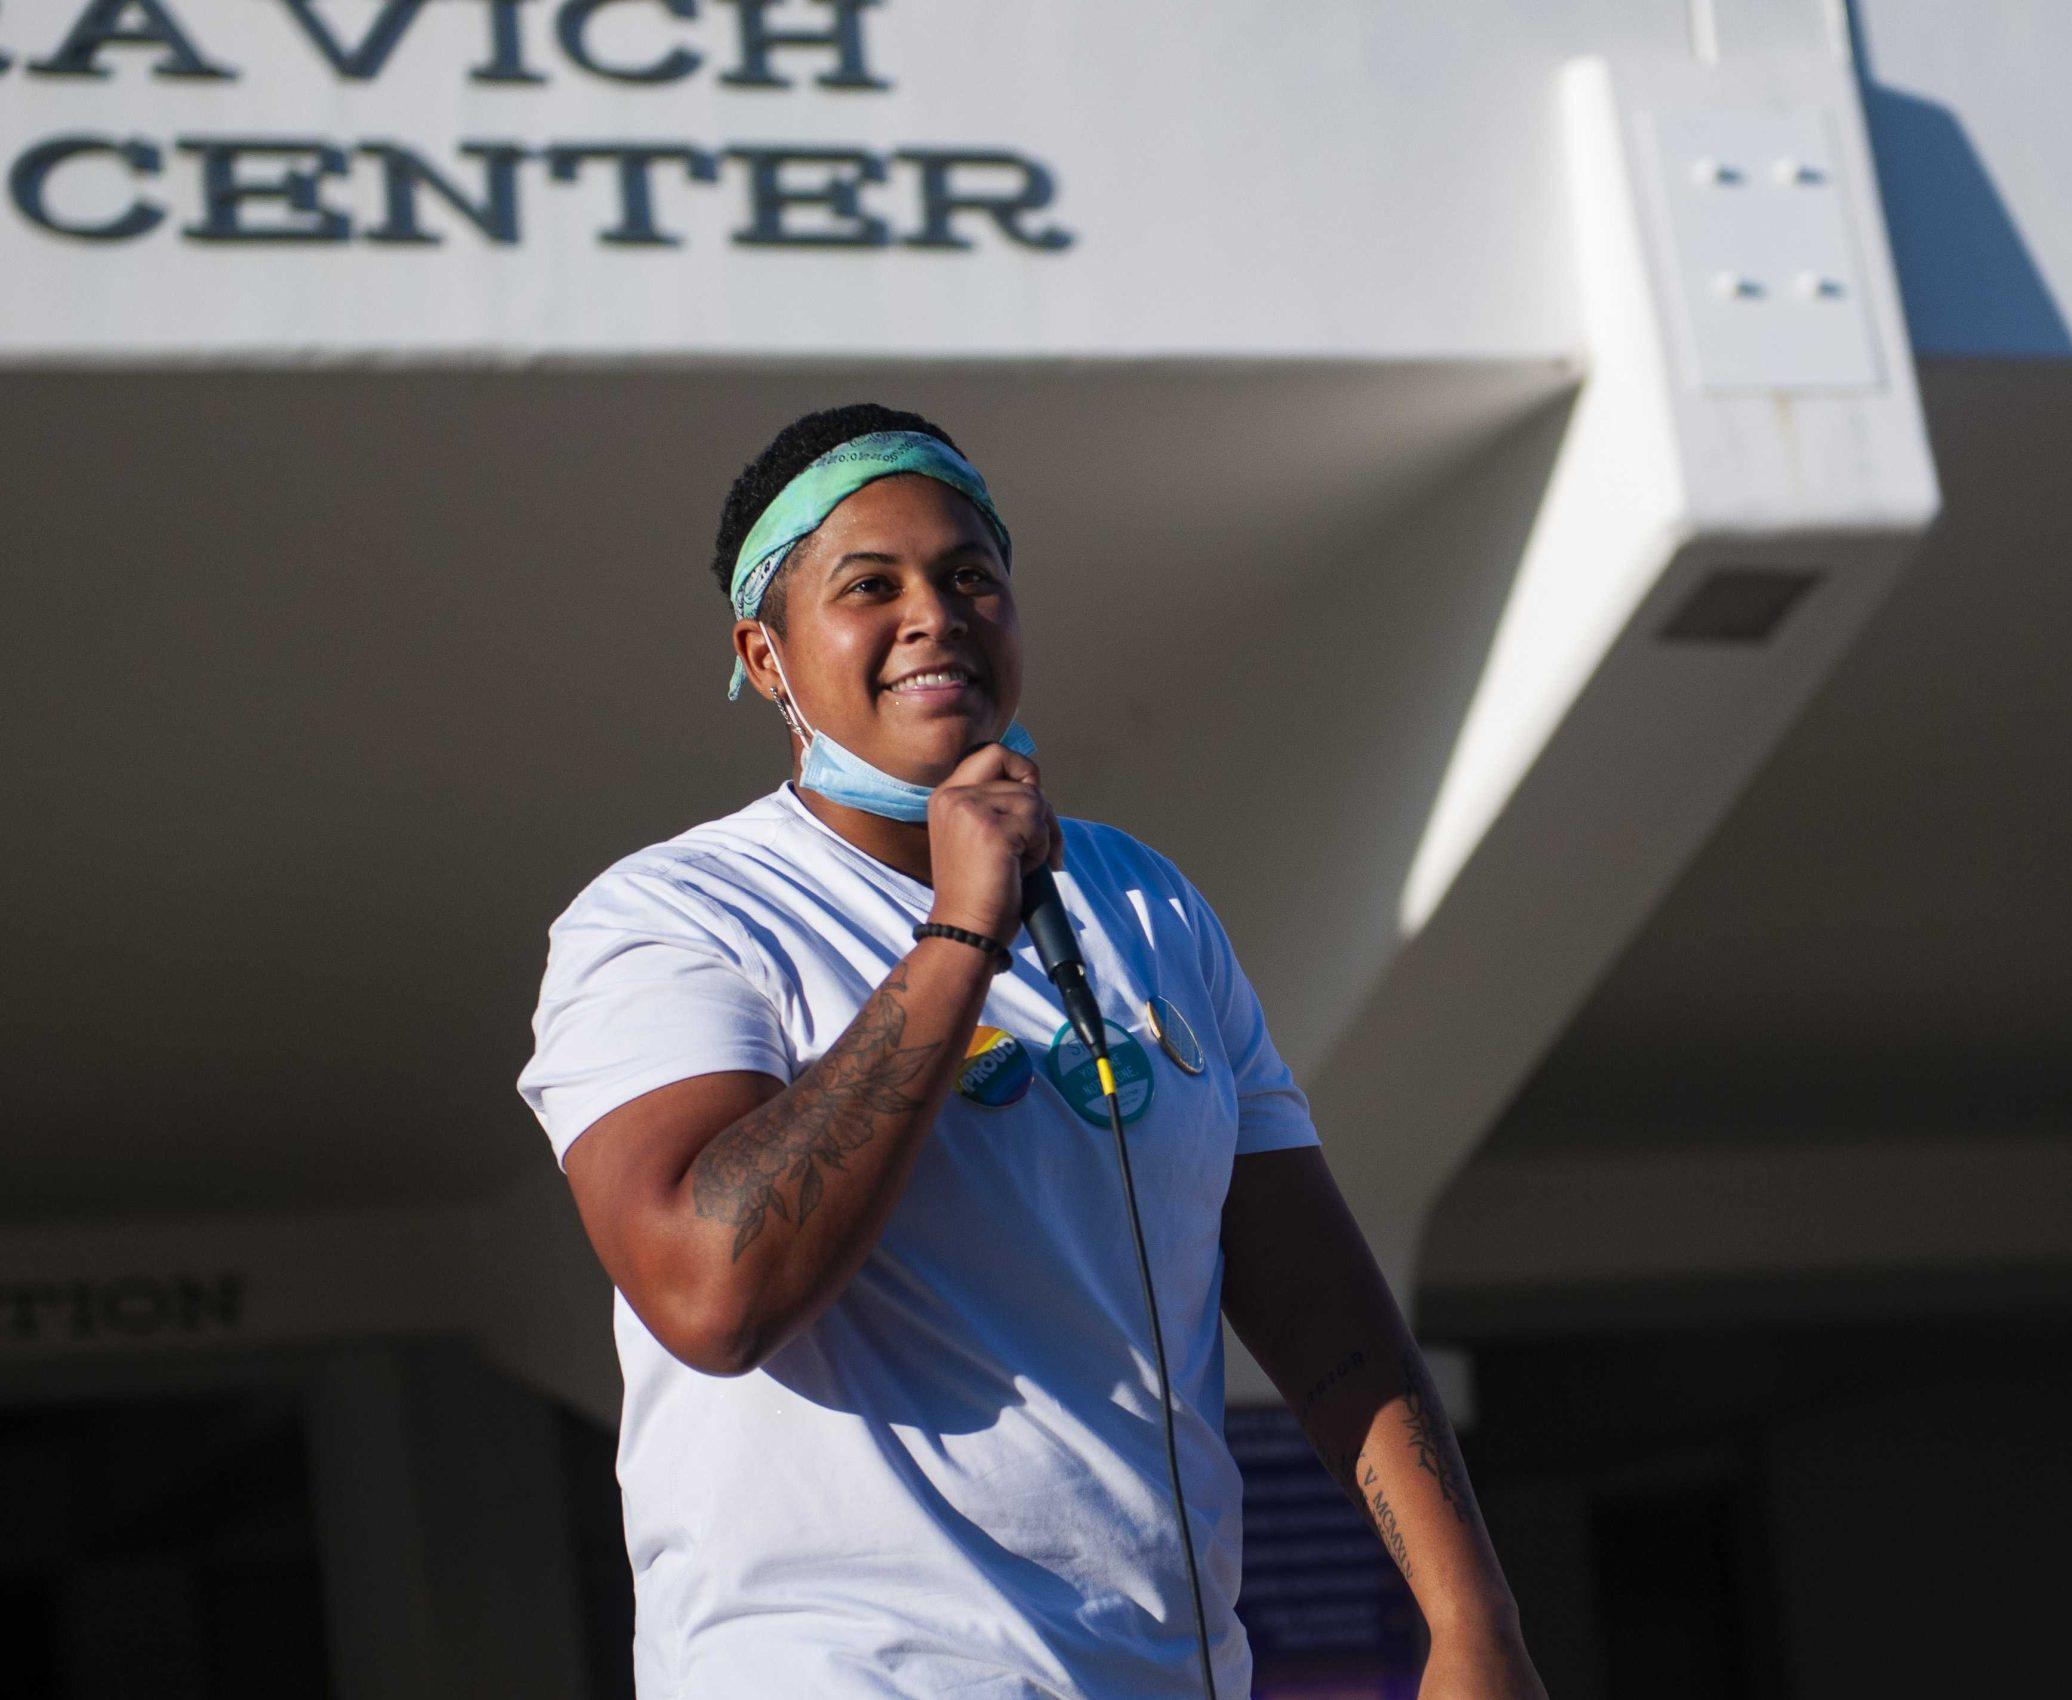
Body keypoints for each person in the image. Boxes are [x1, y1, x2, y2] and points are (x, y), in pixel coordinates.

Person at [517, 403, 1547, 1699]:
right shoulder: (675, 920)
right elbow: (713, 1294)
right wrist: (960, 932)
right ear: (766, 656)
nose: (936, 615)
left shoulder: (1149, 905)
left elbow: (1319, 1305)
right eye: (868, 587)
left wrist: (1473, 1622)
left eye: (970, 577)